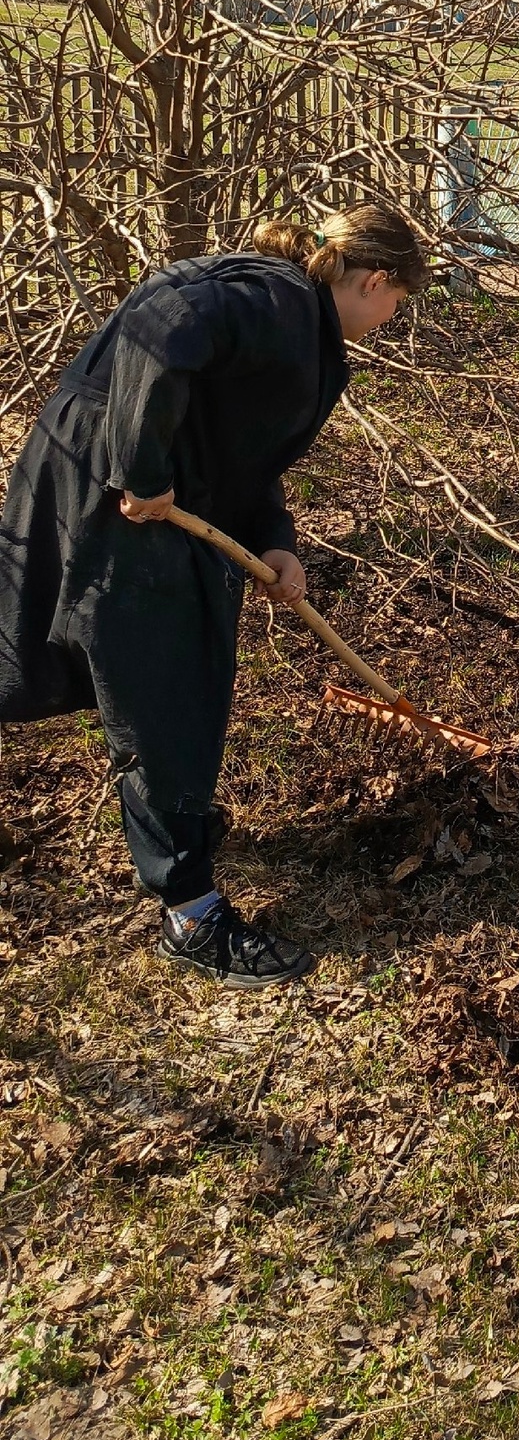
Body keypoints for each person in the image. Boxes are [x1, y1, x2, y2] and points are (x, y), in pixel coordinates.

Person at [0, 206, 431, 987]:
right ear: (374, 280)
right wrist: (143, 468)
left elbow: (239, 450)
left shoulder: (293, 316)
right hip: (114, 493)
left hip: (122, 484)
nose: (390, 319)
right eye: (397, 303)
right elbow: (160, 317)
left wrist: (275, 540)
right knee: (167, 685)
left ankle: (178, 822)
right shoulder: (274, 302)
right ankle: (191, 913)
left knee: (106, 664)